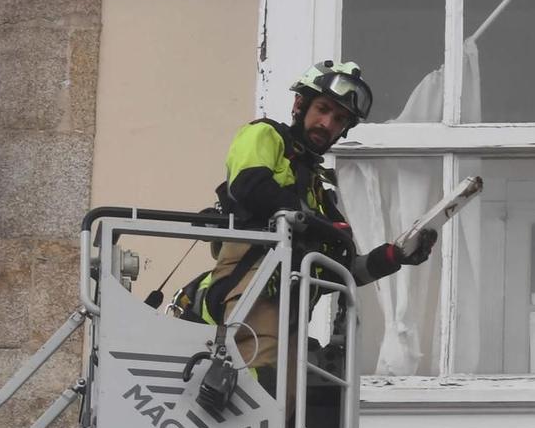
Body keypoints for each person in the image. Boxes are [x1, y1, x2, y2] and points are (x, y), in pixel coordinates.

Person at [178, 60, 437, 378]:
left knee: (286, 405)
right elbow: (249, 185)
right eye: (323, 110)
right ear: (300, 104)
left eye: (339, 119)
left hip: (288, 317)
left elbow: (341, 270)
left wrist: (395, 256)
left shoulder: (316, 189)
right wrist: (312, 222)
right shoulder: (265, 135)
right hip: (250, 296)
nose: (327, 124)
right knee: (256, 391)